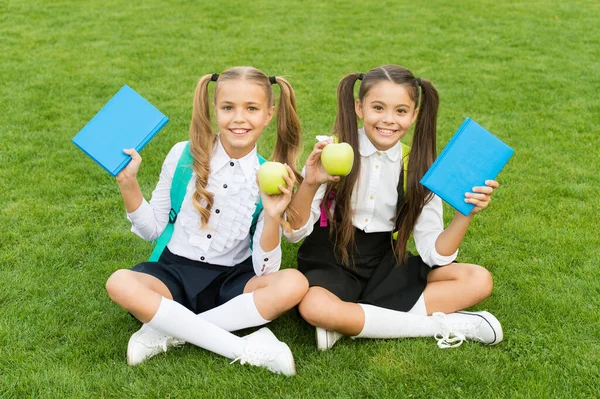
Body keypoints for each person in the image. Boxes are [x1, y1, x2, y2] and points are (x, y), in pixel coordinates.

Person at [105, 67, 308, 376]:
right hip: (172, 275)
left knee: (294, 283)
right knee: (119, 282)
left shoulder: (271, 174)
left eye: (251, 109)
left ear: (268, 114)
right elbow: (153, 230)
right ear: (215, 110)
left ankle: (168, 329)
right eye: (228, 108)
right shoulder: (181, 154)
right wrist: (128, 184)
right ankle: (243, 348)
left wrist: (271, 215)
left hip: (232, 283)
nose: (239, 118)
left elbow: (267, 270)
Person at [285, 64, 503, 351]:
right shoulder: (332, 152)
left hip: (385, 264)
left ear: (414, 115)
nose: (389, 120)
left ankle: (348, 323)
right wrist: (311, 183)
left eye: (401, 111)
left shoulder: (417, 167)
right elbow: (293, 232)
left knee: (478, 280)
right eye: (378, 107)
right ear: (359, 108)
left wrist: (465, 214)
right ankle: (442, 325)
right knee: (314, 306)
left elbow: (435, 255)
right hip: (329, 261)